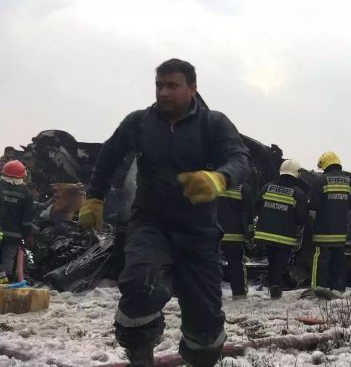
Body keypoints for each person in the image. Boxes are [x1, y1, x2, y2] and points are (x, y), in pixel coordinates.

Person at [78, 59, 250, 366]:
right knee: (142, 283)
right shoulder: (139, 123)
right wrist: (94, 198)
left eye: (172, 85)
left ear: (192, 89)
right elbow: (108, 155)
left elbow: (239, 158)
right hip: (150, 224)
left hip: (199, 232)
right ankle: (140, 357)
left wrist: (219, 178)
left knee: (206, 327)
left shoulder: (213, 124)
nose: (164, 92)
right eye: (159, 85)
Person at [254, 159, 308, 299]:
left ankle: (274, 288)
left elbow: (256, 208)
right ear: (297, 173)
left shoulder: (267, 187)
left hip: (265, 235)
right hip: (285, 237)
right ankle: (275, 292)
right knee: (279, 264)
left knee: (273, 263)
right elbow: (302, 218)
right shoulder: (298, 193)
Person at [308, 151, 351, 294]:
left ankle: (318, 288)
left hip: (323, 231)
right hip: (340, 232)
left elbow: (313, 204)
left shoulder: (321, 181)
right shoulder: (349, 182)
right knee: (338, 261)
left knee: (320, 259)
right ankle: (338, 289)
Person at [0, 160, 35, 285]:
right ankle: (3, 286)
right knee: (8, 259)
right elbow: (27, 220)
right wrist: (28, 235)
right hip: (13, 235)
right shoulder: (26, 193)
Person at [217, 179, 253, 299]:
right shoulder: (244, 188)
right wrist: (249, 235)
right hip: (235, 235)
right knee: (236, 265)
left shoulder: (214, 181)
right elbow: (246, 214)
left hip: (214, 232)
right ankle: (239, 293)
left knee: (211, 264)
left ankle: (213, 292)